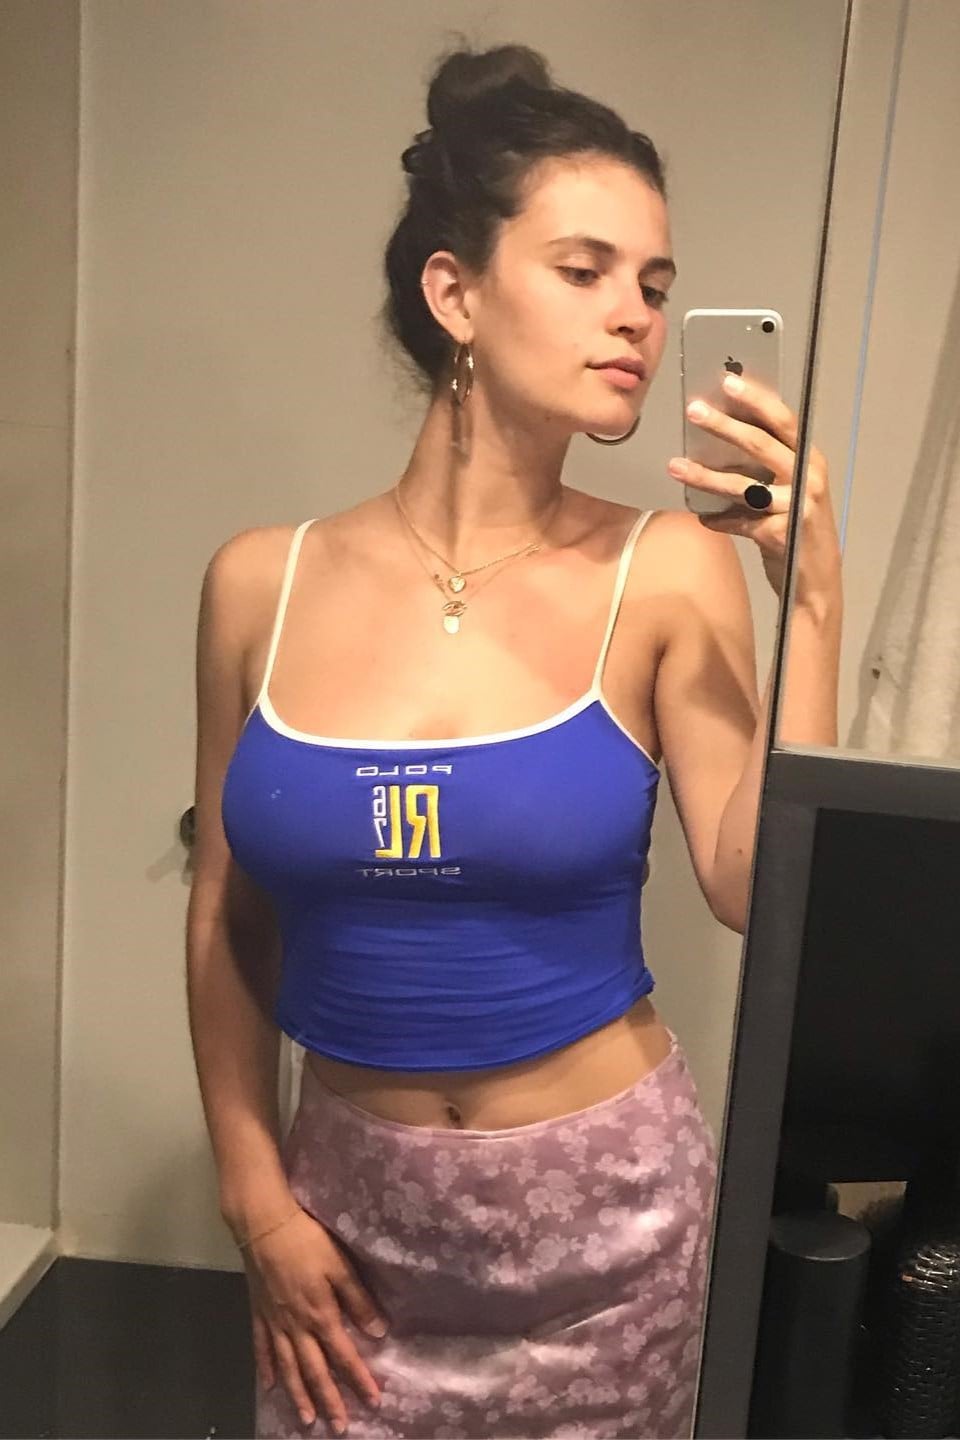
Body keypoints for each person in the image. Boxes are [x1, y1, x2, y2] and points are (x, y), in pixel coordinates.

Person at [186, 40, 842, 1440]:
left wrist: (814, 605)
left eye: (655, 285)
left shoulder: (670, 570)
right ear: (456, 294)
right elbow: (227, 917)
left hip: (607, 1240)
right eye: (586, 270)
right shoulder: (260, 584)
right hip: (341, 1237)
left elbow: (758, 889)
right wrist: (255, 1200)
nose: (636, 318)